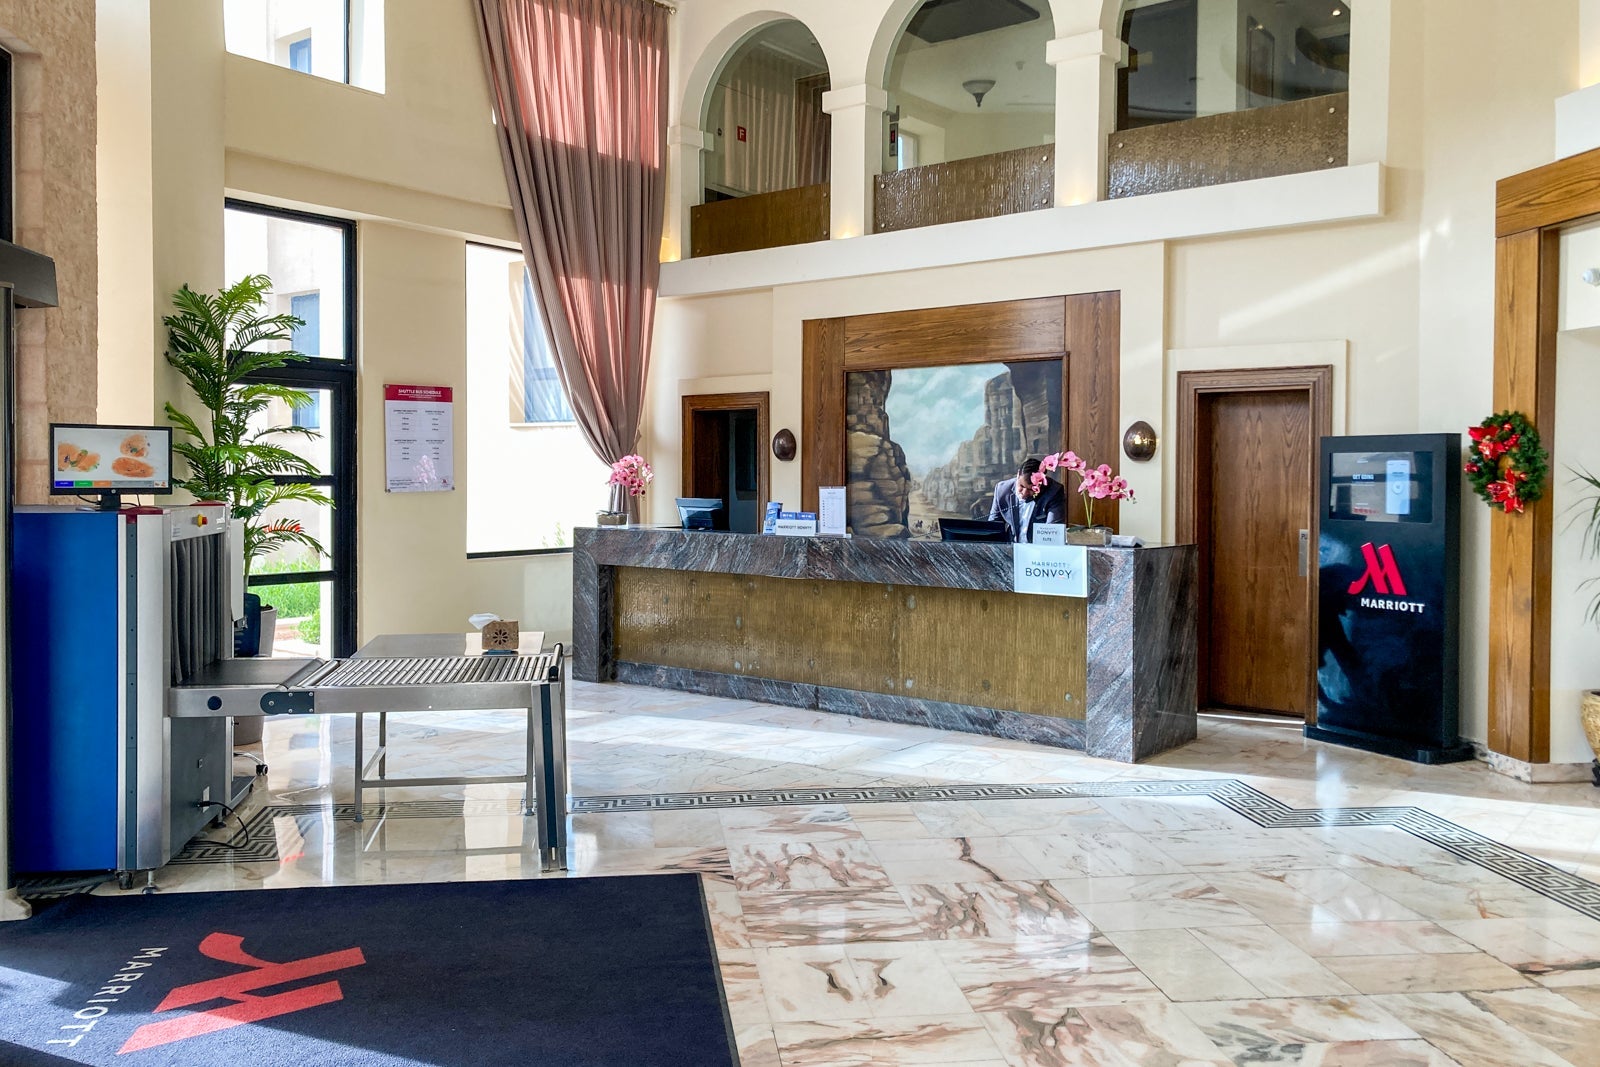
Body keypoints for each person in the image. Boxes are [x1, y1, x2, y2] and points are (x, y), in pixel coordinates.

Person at [989, 457, 1067, 543]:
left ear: (1041, 483)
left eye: (1031, 489)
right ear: (1018, 474)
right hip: (1010, 548)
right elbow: (993, 527)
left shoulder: (1054, 492)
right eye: (1021, 486)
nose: (1024, 493)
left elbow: (1053, 532)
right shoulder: (1002, 490)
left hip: (1039, 549)